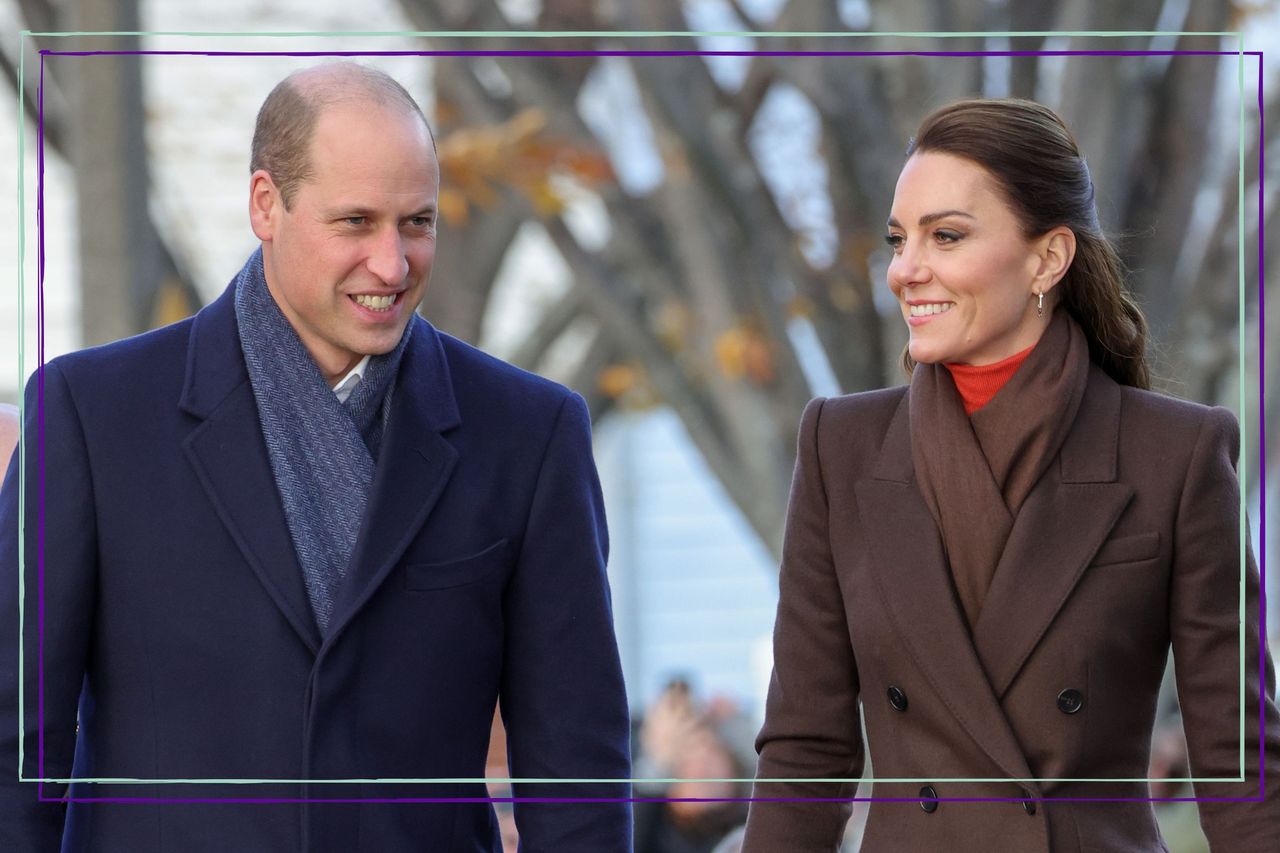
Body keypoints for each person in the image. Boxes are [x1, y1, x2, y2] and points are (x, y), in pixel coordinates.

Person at [0, 62, 632, 851]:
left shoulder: (528, 433)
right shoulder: (92, 416)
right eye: (356, 222)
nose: (393, 265)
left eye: (418, 223)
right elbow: (17, 745)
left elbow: (577, 769)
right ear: (267, 204)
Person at [741, 98, 1279, 852]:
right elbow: (805, 755)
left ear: (1047, 259)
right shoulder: (843, 445)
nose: (905, 270)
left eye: (946, 236)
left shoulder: (1176, 455)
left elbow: (1238, 765)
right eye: (900, 239)